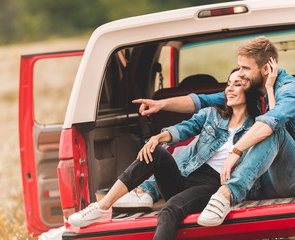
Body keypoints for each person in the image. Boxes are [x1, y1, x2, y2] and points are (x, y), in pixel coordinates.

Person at [133, 36, 295, 227]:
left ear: (265, 69)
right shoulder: (248, 88)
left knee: (271, 130)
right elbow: (201, 101)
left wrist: (235, 152)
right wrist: (160, 103)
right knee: (203, 139)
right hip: (259, 185)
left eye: (245, 68)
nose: (240, 73)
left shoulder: (290, 90)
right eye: (240, 66)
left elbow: (271, 122)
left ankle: (225, 195)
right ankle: (146, 190)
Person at [67, 68, 263, 239]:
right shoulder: (211, 114)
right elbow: (186, 127)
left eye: (237, 84)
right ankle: (102, 207)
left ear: (250, 91)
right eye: (228, 84)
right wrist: (157, 138)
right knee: (156, 151)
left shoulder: (257, 128)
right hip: (186, 176)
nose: (229, 89)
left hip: (214, 187)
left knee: (169, 210)